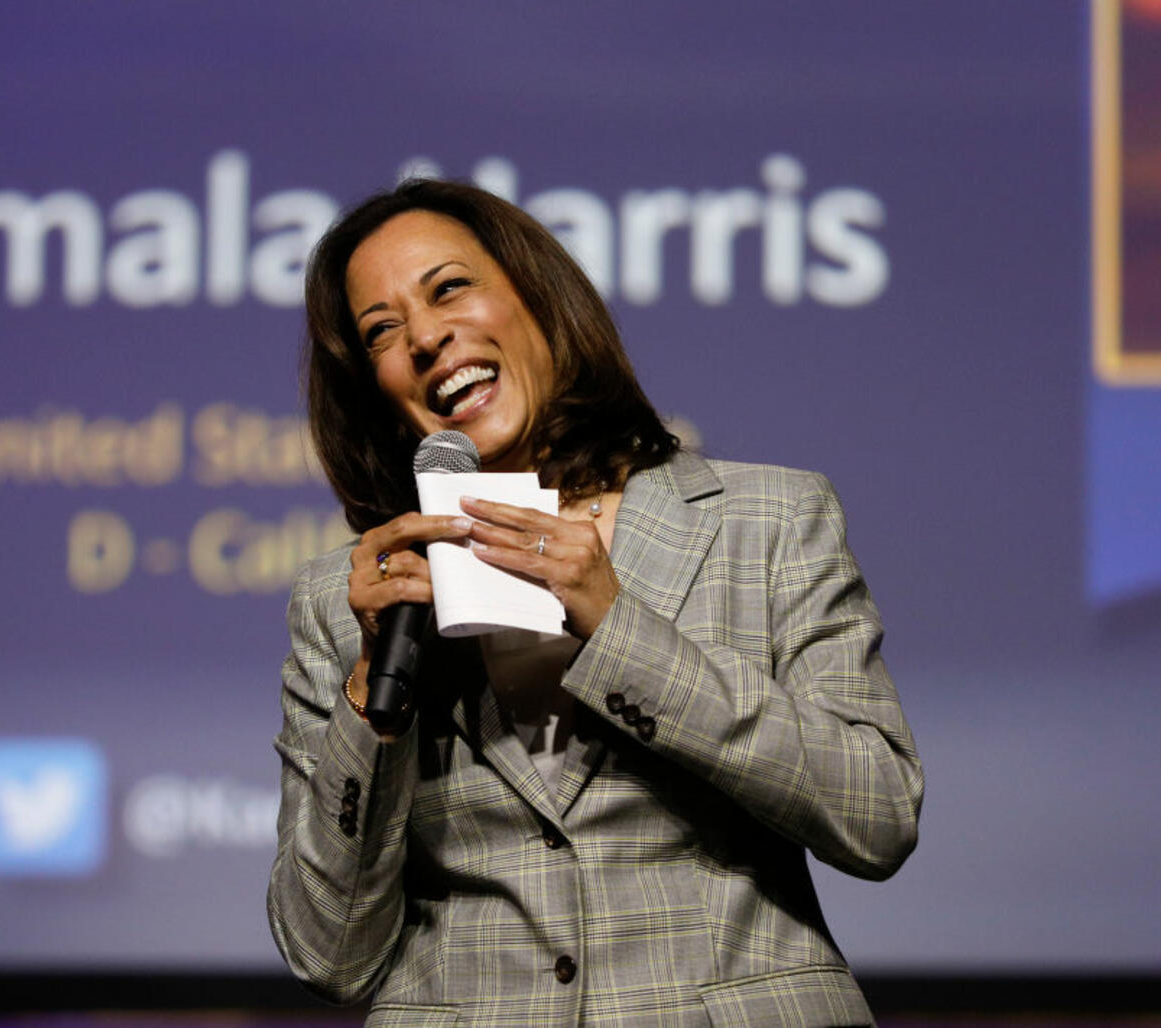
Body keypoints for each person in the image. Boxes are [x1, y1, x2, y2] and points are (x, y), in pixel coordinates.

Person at [267, 179, 922, 1028]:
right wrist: (372, 702)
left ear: (537, 298)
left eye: (449, 287)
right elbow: (327, 954)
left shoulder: (765, 520)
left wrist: (619, 626)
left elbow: (876, 816)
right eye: (382, 332)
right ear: (375, 390)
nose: (426, 336)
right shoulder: (342, 603)